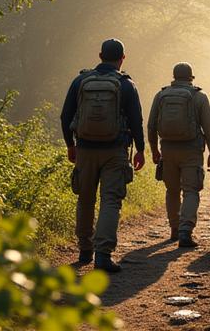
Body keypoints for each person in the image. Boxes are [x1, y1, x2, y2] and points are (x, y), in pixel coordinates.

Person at [60, 38, 145, 273]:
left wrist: (70, 145)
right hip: (115, 151)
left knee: (85, 199)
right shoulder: (126, 85)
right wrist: (140, 149)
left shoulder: (80, 81)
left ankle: (85, 249)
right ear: (122, 58)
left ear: (99, 56)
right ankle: (103, 256)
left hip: (85, 149)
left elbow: (65, 116)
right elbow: (136, 120)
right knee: (110, 201)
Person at [148, 62, 210, 247]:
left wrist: (154, 150)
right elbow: (208, 128)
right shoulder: (200, 97)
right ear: (190, 77)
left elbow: (151, 125)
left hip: (168, 150)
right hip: (192, 151)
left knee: (172, 191)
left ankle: (175, 229)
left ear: (174, 77)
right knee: (191, 191)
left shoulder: (161, 95)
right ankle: (186, 231)